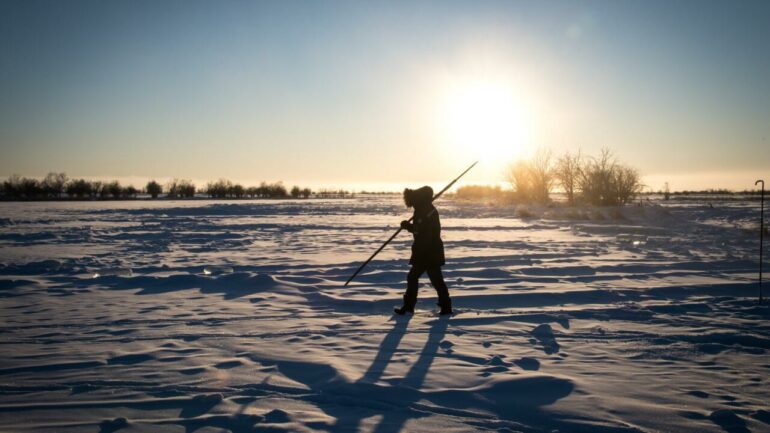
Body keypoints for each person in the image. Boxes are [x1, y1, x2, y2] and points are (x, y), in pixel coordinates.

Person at [394, 186, 452, 315]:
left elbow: (424, 231)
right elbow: (419, 228)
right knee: (431, 279)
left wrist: (410, 227)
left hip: (429, 251)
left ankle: (444, 307)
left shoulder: (428, 210)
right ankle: (444, 307)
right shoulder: (422, 209)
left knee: (426, 279)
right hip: (425, 251)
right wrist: (409, 226)